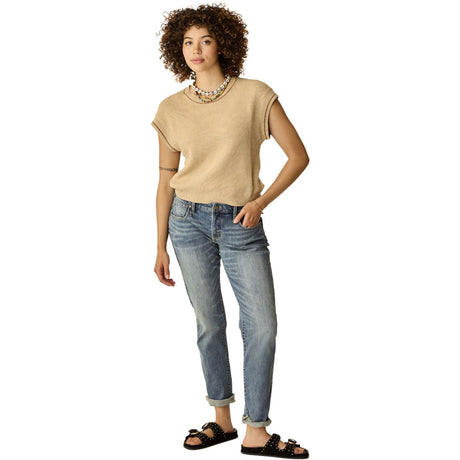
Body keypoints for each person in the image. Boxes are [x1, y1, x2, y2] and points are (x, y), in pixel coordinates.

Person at [152, 4, 310, 458]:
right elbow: (165, 179)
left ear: (223, 43)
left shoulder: (255, 95)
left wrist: (260, 202)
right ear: (177, 48)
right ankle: (221, 420)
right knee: (209, 323)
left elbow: (298, 156)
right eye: (187, 41)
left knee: (262, 326)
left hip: (242, 222)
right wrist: (159, 244)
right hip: (186, 223)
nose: (196, 49)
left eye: (205, 40)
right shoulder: (170, 109)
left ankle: (256, 429)